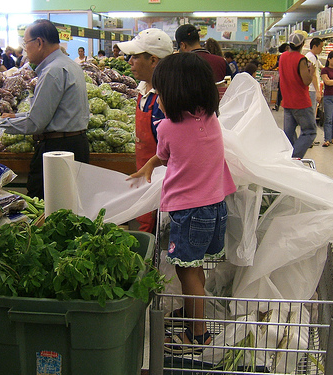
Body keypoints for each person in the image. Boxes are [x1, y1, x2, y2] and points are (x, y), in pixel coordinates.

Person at [129, 52, 236, 353]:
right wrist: (150, 165)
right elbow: (165, 156)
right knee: (195, 265)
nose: (158, 99)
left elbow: (165, 152)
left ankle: (197, 336)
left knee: (185, 270)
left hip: (188, 212)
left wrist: (150, 163)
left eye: (160, 93)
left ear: (175, 94)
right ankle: (194, 315)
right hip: (215, 207)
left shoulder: (166, 127)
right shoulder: (210, 118)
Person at [0, 19, 90, 199]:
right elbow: (51, 111)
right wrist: (16, 115)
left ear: (39, 43)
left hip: (57, 149)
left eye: (26, 43)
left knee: (46, 207)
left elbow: (35, 123)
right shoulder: (69, 64)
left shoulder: (52, 71)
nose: (25, 49)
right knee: (70, 206)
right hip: (75, 144)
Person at [117, 28, 174, 233]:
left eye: (135, 57)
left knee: (155, 233)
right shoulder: (143, 91)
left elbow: (172, 152)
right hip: (145, 176)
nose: (129, 61)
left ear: (153, 60)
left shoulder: (167, 98)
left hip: (161, 184)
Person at [279, 32, 316, 159]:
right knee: (309, 131)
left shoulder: (282, 57)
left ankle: (289, 156)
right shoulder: (301, 59)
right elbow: (306, 81)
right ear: (302, 44)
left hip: (287, 101)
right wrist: (311, 71)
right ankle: (294, 158)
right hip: (301, 102)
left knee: (289, 133)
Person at [305, 38, 324, 119]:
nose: (321, 49)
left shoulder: (314, 57)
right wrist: (317, 91)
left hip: (311, 89)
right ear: (314, 46)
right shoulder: (311, 57)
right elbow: (313, 76)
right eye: (320, 47)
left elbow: (321, 67)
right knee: (311, 113)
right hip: (311, 89)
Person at [272, 43, 290, 111]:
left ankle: (277, 104)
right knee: (283, 91)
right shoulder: (283, 56)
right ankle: (285, 104)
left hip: (282, 76)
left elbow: (277, 64)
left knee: (280, 91)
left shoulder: (280, 57)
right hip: (287, 76)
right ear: (286, 49)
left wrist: (271, 68)